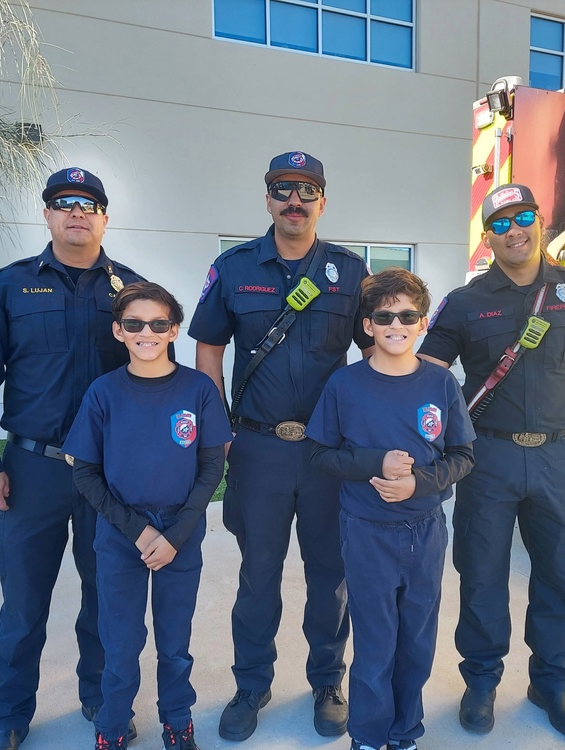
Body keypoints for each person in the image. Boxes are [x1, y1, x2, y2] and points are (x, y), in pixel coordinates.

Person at [417, 183, 565, 740]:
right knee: (481, 575)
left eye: (524, 217)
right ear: (488, 237)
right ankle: (481, 682)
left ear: (540, 222)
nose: (515, 231)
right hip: (486, 459)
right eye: (501, 223)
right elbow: (426, 375)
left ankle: (550, 684)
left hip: (558, 458)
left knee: (560, 575)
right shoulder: (464, 302)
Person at [0, 167, 144, 750]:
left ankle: (103, 700)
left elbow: (154, 380)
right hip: (30, 471)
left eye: (89, 203)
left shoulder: (133, 292)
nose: (77, 212)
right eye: (64, 202)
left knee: (106, 597)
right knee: (23, 603)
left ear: (104, 218)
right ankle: (7, 717)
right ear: (47, 215)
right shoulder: (9, 286)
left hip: (108, 473)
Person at [189, 151, 374, 742]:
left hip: (328, 453)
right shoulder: (234, 267)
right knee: (258, 574)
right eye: (283, 189)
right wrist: (217, 427)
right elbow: (210, 348)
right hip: (258, 450)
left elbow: (374, 354)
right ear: (267, 199)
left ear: (323, 200)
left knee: (330, 575)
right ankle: (251, 684)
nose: (295, 200)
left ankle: (327, 681)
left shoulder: (350, 271)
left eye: (307, 190)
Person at [306, 268, 476, 750]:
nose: (395, 325)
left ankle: (404, 733)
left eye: (407, 315)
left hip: (425, 530)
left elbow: (463, 456)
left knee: (417, 641)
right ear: (368, 325)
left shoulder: (441, 384)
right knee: (376, 641)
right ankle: (367, 734)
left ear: (422, 323)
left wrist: (420, 483)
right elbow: (319, 454)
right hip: (367, 530)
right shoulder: (345, 384)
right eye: (384, 316)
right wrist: (373, 463)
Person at [63, 281, 232, 750]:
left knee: (174, 644)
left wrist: (175, 534)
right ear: (119, 330)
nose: (147, 333)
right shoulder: (104, 392)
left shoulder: (197, 389)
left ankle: (177, 719)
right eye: (134, 324)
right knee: (120, 644)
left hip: (181, 531)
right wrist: (138, 532)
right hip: (121, 534)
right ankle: (113, 724)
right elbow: (85, 473)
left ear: (174, 330)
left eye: (159, 324)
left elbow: (211, 468)